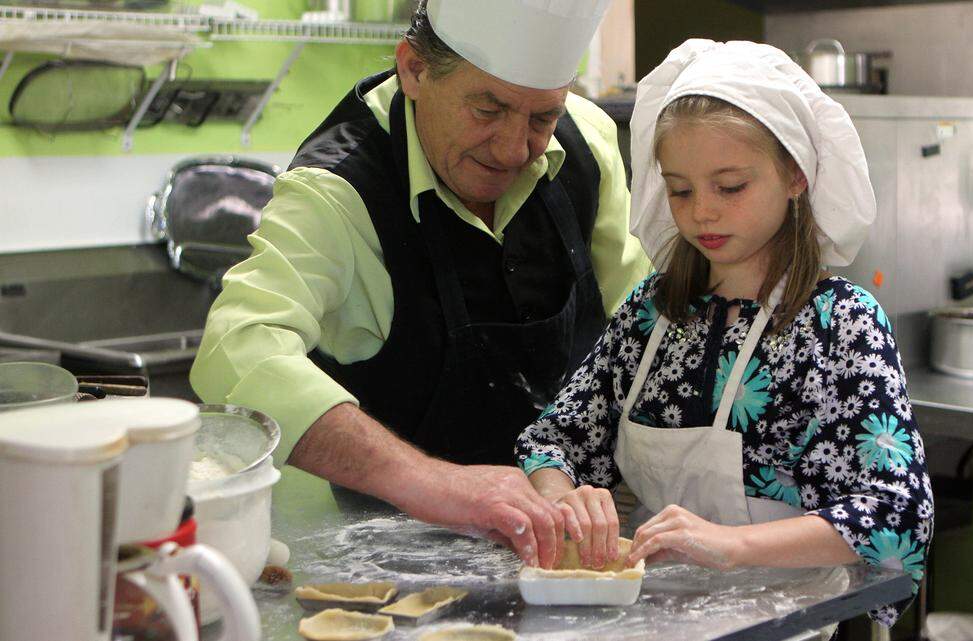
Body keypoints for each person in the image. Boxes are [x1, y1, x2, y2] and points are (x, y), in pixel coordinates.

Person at [190, 0, 650, 569]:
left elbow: (641, 333)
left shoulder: (588, 143)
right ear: (414, 69)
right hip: (390, 558)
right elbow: (235, 350)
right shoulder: (338, 190)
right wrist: (435, 483)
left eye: (540, 119)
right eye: (487, 109)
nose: (513, 150)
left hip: (572, 545)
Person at [516, 39, 932, 626]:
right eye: (680, 189)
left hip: (784, 625)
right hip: (646, 620)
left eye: (729, 186)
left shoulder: (839, 326)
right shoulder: (650, 317)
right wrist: (565, 500)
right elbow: (553, 440)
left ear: (795, 175)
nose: (701, 212)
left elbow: (897, 516)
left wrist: (729, 546)